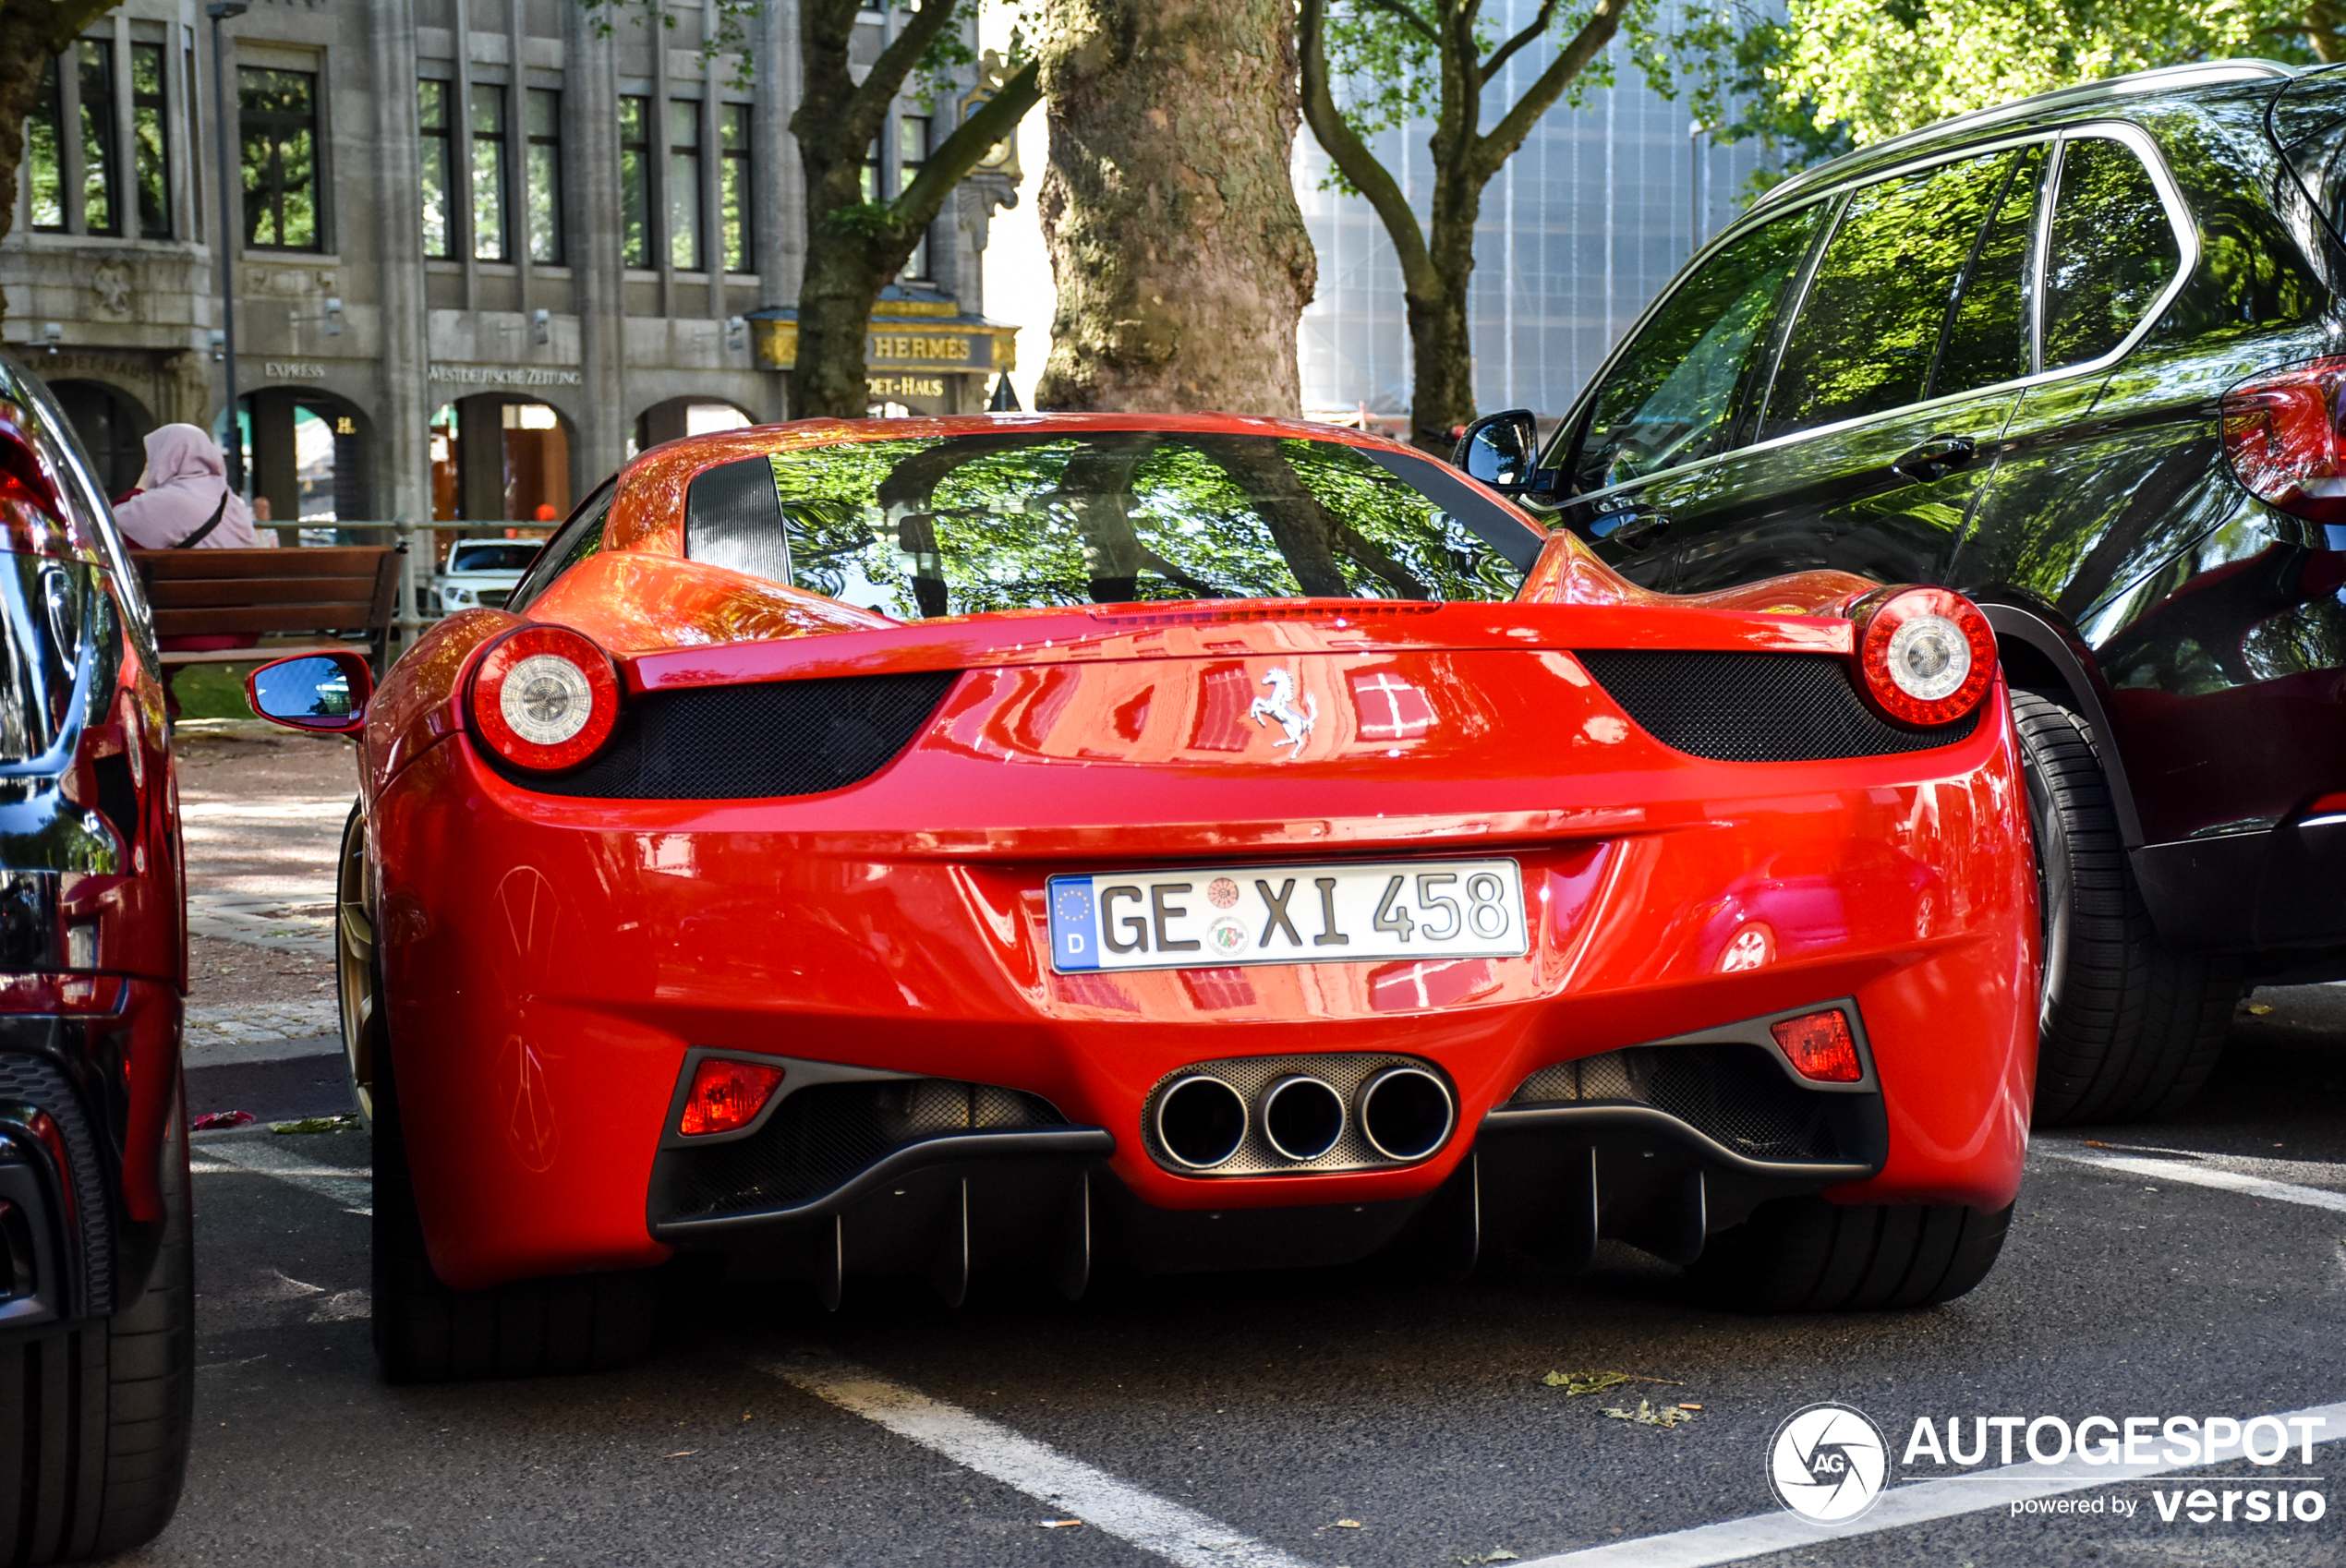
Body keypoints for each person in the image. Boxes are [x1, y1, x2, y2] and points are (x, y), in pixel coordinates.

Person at [114, 425, 269, 717]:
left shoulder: (161, 503)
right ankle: (162, 708)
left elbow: (107, 527)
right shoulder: (232, 502)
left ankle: (159, 711)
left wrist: (142, 483)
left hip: (184, 631)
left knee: (119, 631)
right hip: (239, 626)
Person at [113, 425, 266, 550]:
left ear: (167, 456)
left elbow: (111, 525)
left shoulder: (168, 501)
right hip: (240, 585)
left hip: (192, 587)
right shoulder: (231, 500)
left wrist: (143, 483)